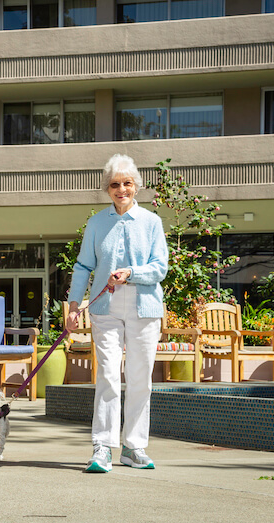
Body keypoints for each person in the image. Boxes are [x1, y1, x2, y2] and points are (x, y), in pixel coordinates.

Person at [66, 153, 168, 473]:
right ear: (107, 189)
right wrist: (72, 305)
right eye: (114, 184)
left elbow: (159, 268)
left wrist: (131, 273)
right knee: (108, 375)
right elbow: (83, 266)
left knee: (140, 380)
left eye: (127, 183)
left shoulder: (151, 222)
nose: (121, 189)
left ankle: (134, 447)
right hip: (104, 309)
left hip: (144, 307)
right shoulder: (97, 223)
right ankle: (102, 446)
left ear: (136, 186)